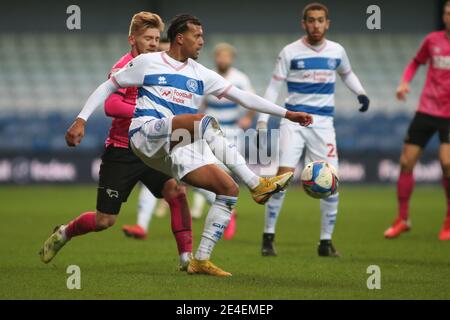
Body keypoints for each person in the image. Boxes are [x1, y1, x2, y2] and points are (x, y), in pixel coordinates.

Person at [62, 14, 313, 277]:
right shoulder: (148, 62)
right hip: (145, 133)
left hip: (175, 145)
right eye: (198, 36)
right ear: (180, 38)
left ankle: (200, 260)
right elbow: (108, 86)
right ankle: (256, 184)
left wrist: (287, 114)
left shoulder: (200, 73)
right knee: (204, 122)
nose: (202, 42)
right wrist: (80, 120)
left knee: (227, 189)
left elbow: (244, 97)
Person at [39, 12, 194, 271]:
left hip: (152, 149)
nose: (154, 44)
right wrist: (147, 115)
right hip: (122, 150)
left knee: (176, 192)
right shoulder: (124, 66)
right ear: (132, 39)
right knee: (104, 221)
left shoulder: (160, 64)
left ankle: (186, 260)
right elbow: (111, 105)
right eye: (148, 38)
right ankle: (64, 233)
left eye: (157, 39)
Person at [257, 2, 370, 257]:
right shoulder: (290, 52)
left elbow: (347, 74)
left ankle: (325, 243)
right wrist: (263, 118)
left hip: (324, 124)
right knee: (282, 179)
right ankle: (268, 237)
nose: (316, 25)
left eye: (320, 20)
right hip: (294, 122)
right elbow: (274, 87)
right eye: (311, 20)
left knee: (332, 181)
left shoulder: (337, 51)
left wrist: (360, 93)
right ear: (303, 23)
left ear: (327, 23)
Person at [384, 0, 450, 241]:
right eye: (446, 13)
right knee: (406, 162)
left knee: (447, 164)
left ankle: (449, 219)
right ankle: (402, 219)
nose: (448, 17)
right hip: (426, 110)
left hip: (449, 116)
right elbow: (415, 63)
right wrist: (404, 83)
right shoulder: (433, 40)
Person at [190, 42, 256, 240]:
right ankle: (218, 211)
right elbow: (199, 105)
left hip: (233, 131)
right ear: (216, 58)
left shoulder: (240, 78)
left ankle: (220, 212)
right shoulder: (208, 76)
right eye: (220, 56)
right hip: (209, 131)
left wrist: (248, 118)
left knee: (220, 174)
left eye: (226, 56)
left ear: (231, 59)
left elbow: (251, 100)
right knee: (206, 171)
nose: (222, 59)